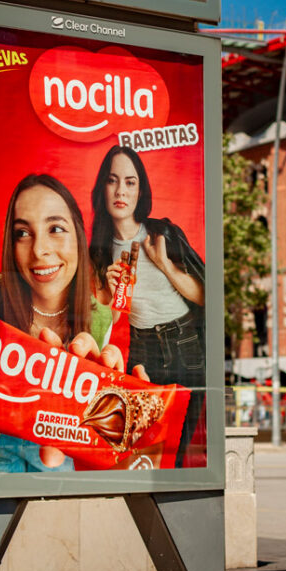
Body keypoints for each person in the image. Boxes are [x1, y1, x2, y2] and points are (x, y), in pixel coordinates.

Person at [0, 173, 129, 473]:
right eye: (23, 233)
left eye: (55, 229)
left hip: (61, 465)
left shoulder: (99, 317)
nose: (39, 250)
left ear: (79, 237)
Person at [90, 145, 205, 461]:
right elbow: (108, 323)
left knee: (178, 451)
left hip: (184, 344)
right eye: (113, 181)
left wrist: (165, 264)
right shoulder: (98, 252)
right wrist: (111, 295)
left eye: (130, 182)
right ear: (102, 187)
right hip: (143, 351)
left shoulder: (161, 232)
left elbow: (204, 294)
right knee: (146, 453)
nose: (121, 190)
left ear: (141, 191)